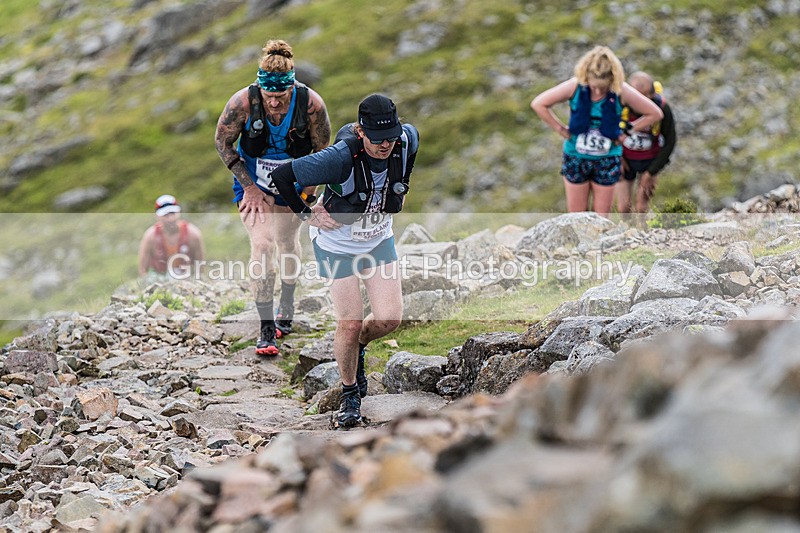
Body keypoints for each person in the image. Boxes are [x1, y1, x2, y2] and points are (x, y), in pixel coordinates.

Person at [271, 94, 419, 429]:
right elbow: (281, 176)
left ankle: (359, 346)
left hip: (378, 240)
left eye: (390, 137)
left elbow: (412, 141)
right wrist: (307, 213)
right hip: (337, 244)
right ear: (361, 132)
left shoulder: (406, 140)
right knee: (349, 323)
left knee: (389, 319)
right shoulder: (338, 157)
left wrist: (401, 182)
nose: (386, 145)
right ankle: (350, 394)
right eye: (377, 139)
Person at [214, 39, 331, 356]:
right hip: (255, 185)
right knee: (263, 244)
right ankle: (267, 327)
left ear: (292, 88)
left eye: (282, 97)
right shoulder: (242, 102)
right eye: (269, 97)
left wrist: (308, 193)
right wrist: (249, 188)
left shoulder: (311, 104)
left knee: (287, 242)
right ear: (260, 89)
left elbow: (322, 150)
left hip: (295, 183)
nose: (275, 103)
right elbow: (222, 143)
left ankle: (287, 303)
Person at [530, 46, 663, 216]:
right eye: (594, 87)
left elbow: (655, 113)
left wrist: (627, 131)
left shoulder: (621, 90)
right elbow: (538, 103)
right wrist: (560, 129)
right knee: (576, 216)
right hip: (576, 157)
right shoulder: (575, 86)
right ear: (586, 76)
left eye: (604, 88)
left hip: (607, 159)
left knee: (601, 218)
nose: (598, 92)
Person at [615, 71, 677, 215]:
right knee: (623, 208)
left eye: (646, 97)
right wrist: (618, 159)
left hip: (649, 161)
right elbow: (608, 132)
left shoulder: (662, 108)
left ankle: (642, 228)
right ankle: (626, 228)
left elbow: (670, 141)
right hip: (625, 160)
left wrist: (651, 172)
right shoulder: (620, 105)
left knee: (641, 208)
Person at [138, 194, 205, 277]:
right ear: (157, 216)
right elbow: (143, 270)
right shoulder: (150, 237)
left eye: (173, 213)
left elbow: (200, 267)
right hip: (159, 279)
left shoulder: (193, 235)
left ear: (179, 212)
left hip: (187, 278)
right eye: (166, 215)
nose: (171, 219)